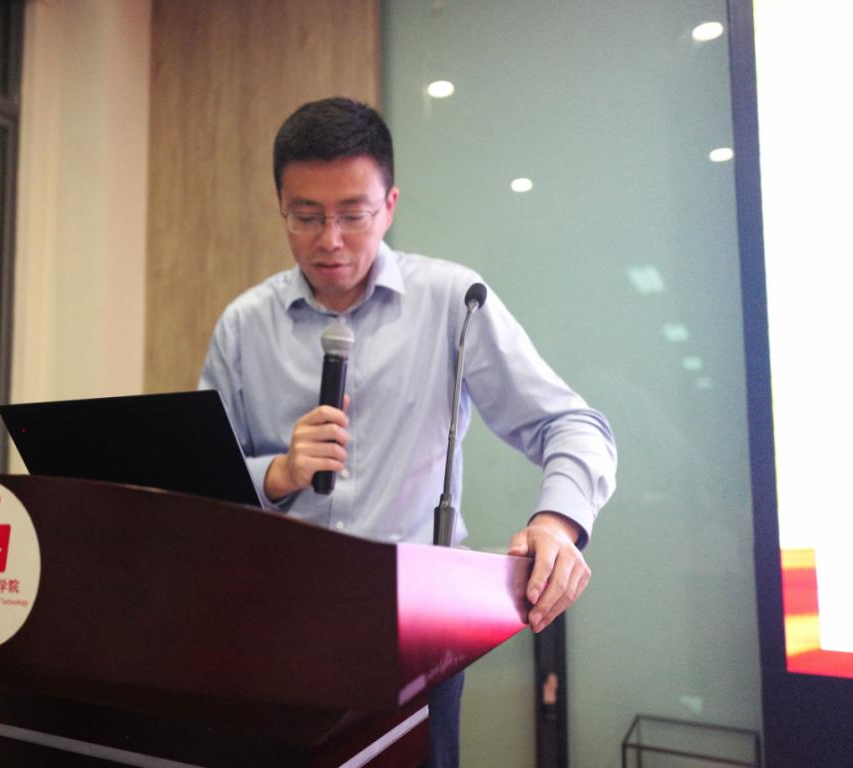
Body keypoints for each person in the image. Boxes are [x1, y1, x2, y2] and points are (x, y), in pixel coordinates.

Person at [199, 97, 616, 767]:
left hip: (415, 630)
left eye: (353, 214)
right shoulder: (243, 326)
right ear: (281, 208)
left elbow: (572, 424)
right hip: (279, 628)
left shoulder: (454, 302)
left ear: (389, 205)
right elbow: (200, 483)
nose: (330, 239)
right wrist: (277, 473)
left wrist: (557, 524)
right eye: (306, 216)